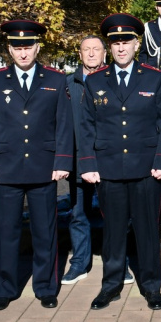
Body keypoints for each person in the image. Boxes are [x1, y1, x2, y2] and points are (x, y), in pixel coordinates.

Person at [0, 19, 73, 311]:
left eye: (28, 46)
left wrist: (62, 161)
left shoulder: (56, 80)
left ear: (38, 47)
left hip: (44, 168)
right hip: (6, 170)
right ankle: (4, 289)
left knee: (45, 232)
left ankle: (45, 287)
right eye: (17, 47)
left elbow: (63, 126)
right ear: (9, 49)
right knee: (6, 232)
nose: (23, 53)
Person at [78, 14, 161, 311]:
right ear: (110, 46)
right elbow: (85, 126)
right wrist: (89, 164)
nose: (121, 48)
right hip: (108, 168)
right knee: (113, 231)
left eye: (127, 42)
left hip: (146, 169)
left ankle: (151, 286)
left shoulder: (153, 77)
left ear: (136, 44)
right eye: (116, 42)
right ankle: (111, 285)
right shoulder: (94, 81)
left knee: (148, 230)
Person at [62, 35, 106, 285]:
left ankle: (117, 263)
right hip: (79, 160)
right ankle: (80, 262)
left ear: (104, 54)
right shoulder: (68, 84)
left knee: (114, 215)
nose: (91, 54)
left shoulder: (113, 81)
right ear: (79, 55)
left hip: (106, 161)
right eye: (86, 50)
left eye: (96, 49)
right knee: (78, 213)